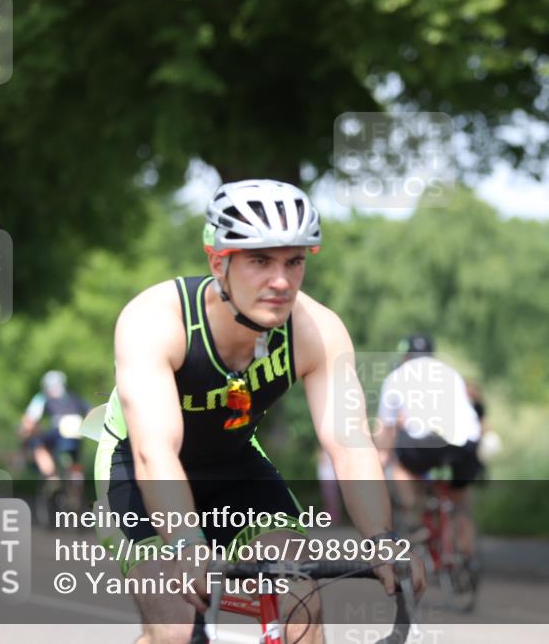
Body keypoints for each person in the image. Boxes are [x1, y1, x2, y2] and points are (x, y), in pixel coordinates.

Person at [93, 179, 424, 644]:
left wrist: (382, 538)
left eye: (294, 261)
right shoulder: (156, 319)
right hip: (140, 470)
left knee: (301, 604)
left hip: (235, 469)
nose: (281, 281)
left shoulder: (317, 330)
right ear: (218, 262)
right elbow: (155, 453)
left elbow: (350, 446)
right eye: (260, 261)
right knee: (176, 627)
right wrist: (187, 544)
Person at [375, 334, 483, 557]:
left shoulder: (396, 377)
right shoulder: (451, 373)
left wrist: (382, 456)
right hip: (466, 443)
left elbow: (386, 428)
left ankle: (414, 517)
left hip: (424, 443)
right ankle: (466, 547)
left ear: (406, 355)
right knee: (459, 494)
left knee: (400, 467)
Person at [21, 370, 91, 481]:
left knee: (38, 445)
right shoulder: (74, 397)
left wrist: (26, 435)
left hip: (59, 429)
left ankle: (52, 477)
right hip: (78, 432)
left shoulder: (42, 397)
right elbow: (90, 412)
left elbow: (30, 420)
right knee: (75, 464)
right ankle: (76, 491)